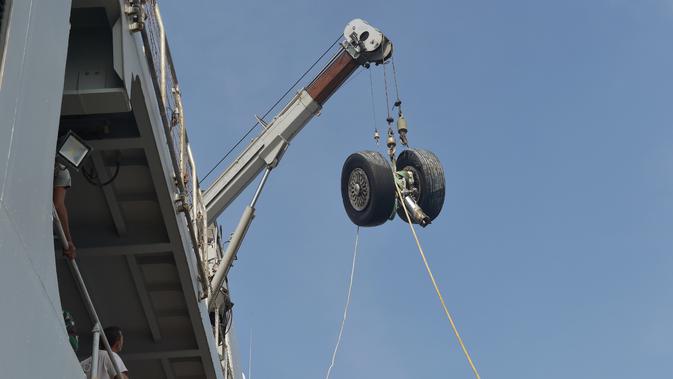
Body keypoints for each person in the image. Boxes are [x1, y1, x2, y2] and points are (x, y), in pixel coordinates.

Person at [53, 162, 76, 259]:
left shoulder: (61, 170)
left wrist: (67, 240)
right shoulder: (62, 171)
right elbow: (58, 205)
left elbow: (57, 206)